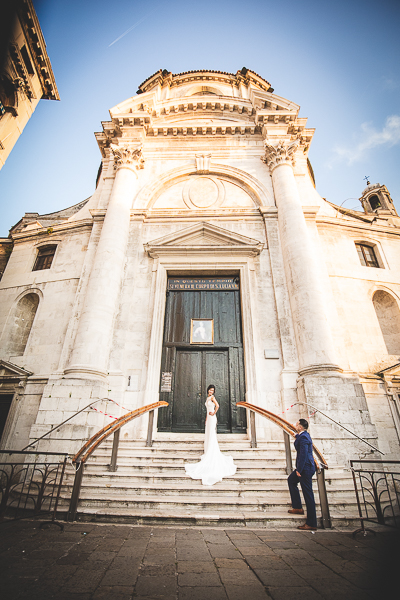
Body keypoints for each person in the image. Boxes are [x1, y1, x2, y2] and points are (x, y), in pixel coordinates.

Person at [185, 384, 237, 486]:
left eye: (212, 390)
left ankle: (211, 451)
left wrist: (214, 413)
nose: (211, 391)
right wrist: (206, 418)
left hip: (212, 418)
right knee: (208, 434)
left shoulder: (212, 398)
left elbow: (217, 406)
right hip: (209, 419)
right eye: (210, 390)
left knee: (212, 434)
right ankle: (208, 449)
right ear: (208, 390)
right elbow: (207, 410)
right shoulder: (208, 398)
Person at [287, 418, 317, 530]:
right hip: (304, 467)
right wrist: (296, 435)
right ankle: (298, 507)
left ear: (300, 426)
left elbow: (304, 454)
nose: (295, 424)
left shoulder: (304, 437)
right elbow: (299, 439)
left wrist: (299, 469)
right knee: (291, 480)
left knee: (308, 495)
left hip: (305, 468)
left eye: (297, 423)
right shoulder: (303, 435)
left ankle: (312, 523)